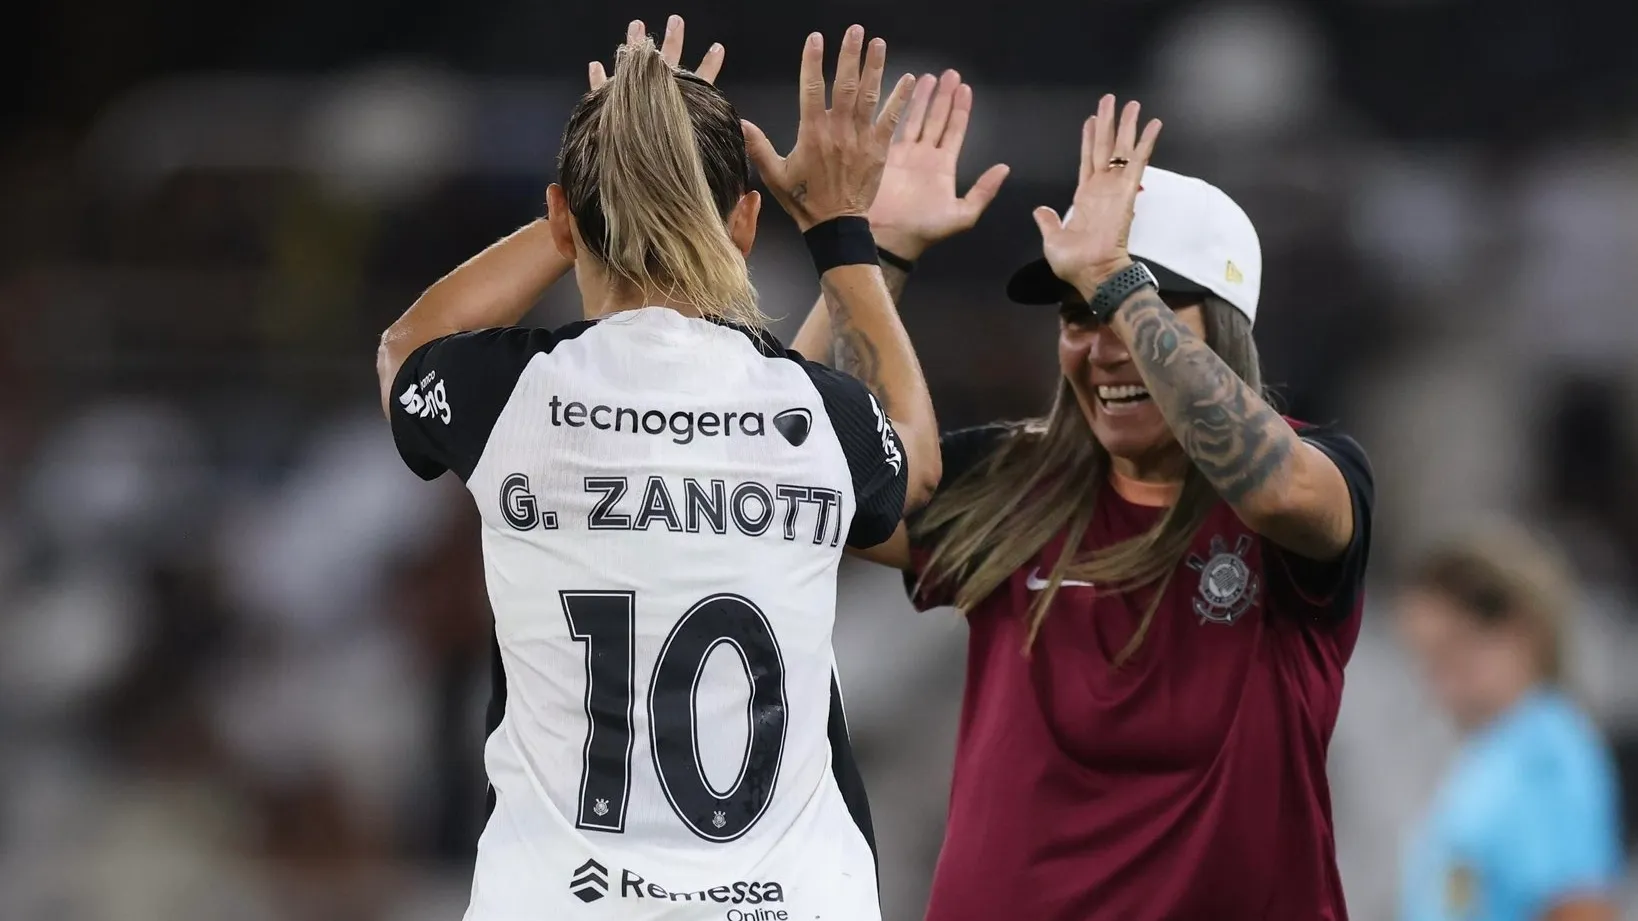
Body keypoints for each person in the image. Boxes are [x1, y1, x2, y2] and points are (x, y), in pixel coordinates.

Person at [376, 18, 939, 919]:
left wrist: (614, 177)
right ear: (747, 222)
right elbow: (914, 467)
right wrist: (842, 234)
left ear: (563, 216)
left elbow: (408, 348)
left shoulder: (515, 399)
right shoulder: (812, 414)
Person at [798, 95, 1376, 919]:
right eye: (1076, 314)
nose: (1101, 341)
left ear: (1224, 326)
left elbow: (1277, 488)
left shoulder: (1308, 482)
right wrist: (869, 251)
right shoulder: (1010, 478)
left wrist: (1112, 278)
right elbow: (789, 478)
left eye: (1134, 309)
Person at [1396, 524, 1623, 921]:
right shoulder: (1493, 751)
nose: (1439, 682)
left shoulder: (1544, 753)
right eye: (1429, 660)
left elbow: (1580, 907)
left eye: (1453, 651)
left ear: (1520, 630)